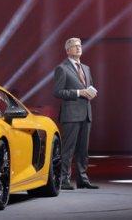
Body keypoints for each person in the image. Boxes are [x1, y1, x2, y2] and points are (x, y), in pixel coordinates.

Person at [53, 37, 99, 190]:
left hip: (86, 113)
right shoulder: (62, 68)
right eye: (74, 46)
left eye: (80, 45)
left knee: (83, 150)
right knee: (68, 149)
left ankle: (83, 179)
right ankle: (64, 180)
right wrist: (79, 92)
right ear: (68, 51)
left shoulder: (86, 68)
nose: (78, 48)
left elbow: (90, 86)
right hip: (71, 115)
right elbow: (58, 92)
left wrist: (91, 93)